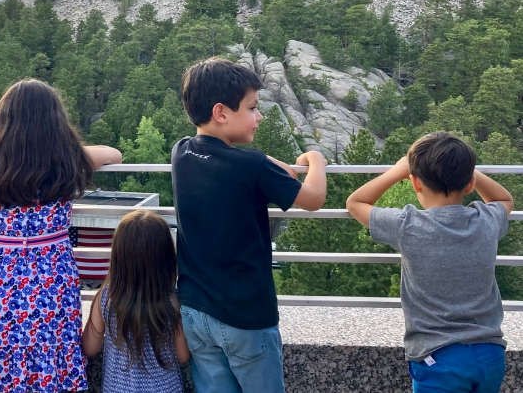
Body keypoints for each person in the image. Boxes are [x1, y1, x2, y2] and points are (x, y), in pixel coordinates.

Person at [0, 78, 122, 393]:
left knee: (2, 351)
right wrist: (65, 146)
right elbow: (114, 154)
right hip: (52, 272)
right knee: (53, 349)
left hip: (3, 271)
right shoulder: (67, 158)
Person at [172, 57, 327, 393]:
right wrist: (315, 159)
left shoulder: (181, 152)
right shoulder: (251, 166)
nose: (259, 117)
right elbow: (313, 198)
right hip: (245, 317)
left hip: (196, 312)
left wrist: (270, 165)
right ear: (221, 112)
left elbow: (243, 161)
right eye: (252, 108)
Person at [346, 132, 513, 393]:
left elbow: (355, 202)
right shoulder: (486, 220)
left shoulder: (407, 225)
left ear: (415, 183)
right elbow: (504, 200)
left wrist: (397, 171)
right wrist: (469, 172)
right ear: (470, 183)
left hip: (438, 358)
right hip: (489, 354)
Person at [82, 209, 190, 393]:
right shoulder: (172, 301)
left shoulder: (107, 297)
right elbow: (182, 355)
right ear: (165, 257)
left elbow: (90, 348)